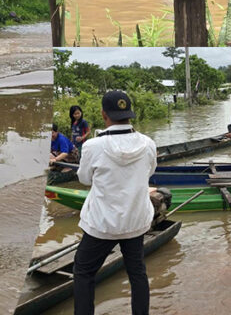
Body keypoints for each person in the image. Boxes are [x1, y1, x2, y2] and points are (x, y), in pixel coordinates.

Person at [73, 90, 157, 315]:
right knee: (137, 272)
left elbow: (84, 179)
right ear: (130, 113)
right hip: (135, 221)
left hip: (102, 224)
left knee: (83, 272)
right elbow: (149, 172)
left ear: (104, 114)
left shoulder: (93, 146)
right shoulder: (148, 144)